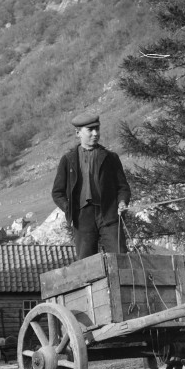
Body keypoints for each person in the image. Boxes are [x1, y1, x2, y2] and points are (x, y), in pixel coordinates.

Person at [51, 111, 131, 259]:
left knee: (120, 257)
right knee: (86, 263)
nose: (95, 133)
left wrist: (122, 202)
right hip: (82, 217)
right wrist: (69, 209)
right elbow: (57, 192)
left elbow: (123, 187)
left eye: (97, 129)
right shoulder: (68, 160)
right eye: (90, 130)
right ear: (78, 133)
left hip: (109, 214)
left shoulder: (111, 158)